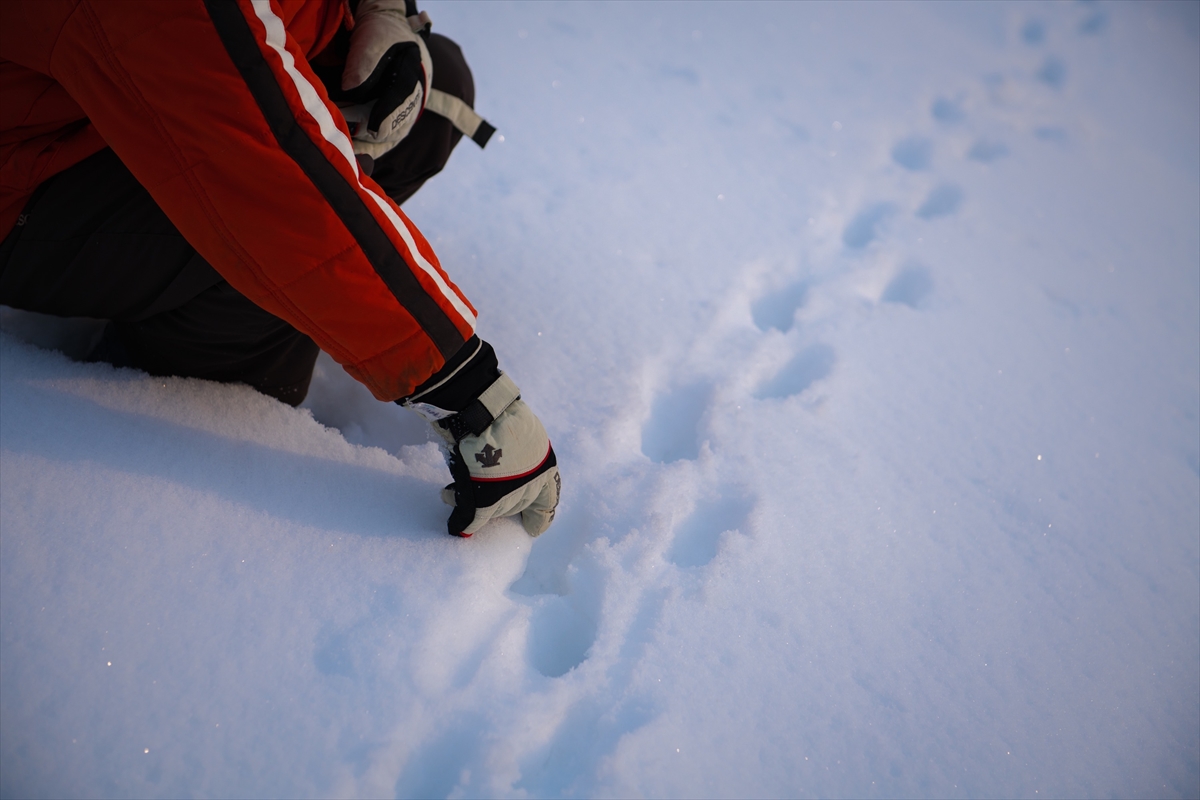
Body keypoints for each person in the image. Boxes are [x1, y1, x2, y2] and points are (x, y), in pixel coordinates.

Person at [0, 0, 559, 538]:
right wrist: (471, 397)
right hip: (26, 186)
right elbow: (271, 181)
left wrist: (383, 10)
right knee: (260, 241)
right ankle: (169, 417)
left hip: (114, 99)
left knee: (433, 96)